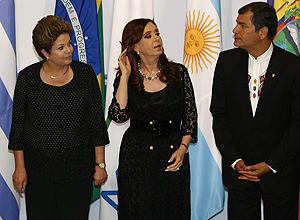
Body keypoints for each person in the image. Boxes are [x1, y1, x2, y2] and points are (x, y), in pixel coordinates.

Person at [8, 15, 109, 220]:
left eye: (69, 44)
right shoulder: (27, 78)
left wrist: (100, 165)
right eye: (61, 47)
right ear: (45, 52)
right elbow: (18, 128)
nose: (69, 50)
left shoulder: (86, 75)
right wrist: (20, 168)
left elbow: (97, 123)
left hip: (78, 171)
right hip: (39, 174)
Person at [210, 2, 300, 220]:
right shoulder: (226, 62)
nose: (235, 30)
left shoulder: (293, 67)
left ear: (263, 32)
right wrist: (234, 160)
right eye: (236, 24)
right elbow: (220, 116)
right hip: (240, 173)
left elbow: (298, 123)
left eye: (242, 25)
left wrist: (271, 164)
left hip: (280, 173)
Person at [108, 18, 197, 220]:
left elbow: (190, 116)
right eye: (148, 36)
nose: (157, 39)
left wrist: (183, 149)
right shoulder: (127, 78)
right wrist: (124, 76)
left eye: (157, 33)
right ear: (135, 46)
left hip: (173, 152)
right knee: (138, 210)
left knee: (172, 209)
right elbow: (118, 115)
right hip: (137, 156)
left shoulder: (178, 73)